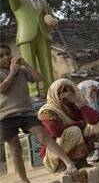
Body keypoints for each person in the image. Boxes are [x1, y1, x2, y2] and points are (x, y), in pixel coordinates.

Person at [0, 45, 77, 181]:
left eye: (8, 54)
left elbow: (38, 77)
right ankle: (25, 180)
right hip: (5, 116)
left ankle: (68, 162)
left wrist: (25, 64)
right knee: (16, 150)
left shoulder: (22, 72)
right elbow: (3, 90)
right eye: (1, 56)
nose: (6, 57)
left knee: (43, 136)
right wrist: (12, 73)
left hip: (26, 112)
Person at [1, 0, 57, 97]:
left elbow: (52, 18)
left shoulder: (44, 3)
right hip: (26, 37)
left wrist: (52, 21)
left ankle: (50, 91)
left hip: (43, 36)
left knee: (47, 66)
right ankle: (34, 93)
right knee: (29, 64)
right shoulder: (19, 3)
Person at [38, 79, 99, 172]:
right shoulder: (47, 111)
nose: (66, 95)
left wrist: (77, 101)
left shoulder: (74, 105)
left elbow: (95, 119)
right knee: (74, 130)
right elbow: (57, 131)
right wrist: (79, 124)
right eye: (62, 92)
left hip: (72, 144)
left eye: (68, 91)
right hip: (54, 155)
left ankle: (81, 160)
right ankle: (64, 164)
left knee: (98, 125)